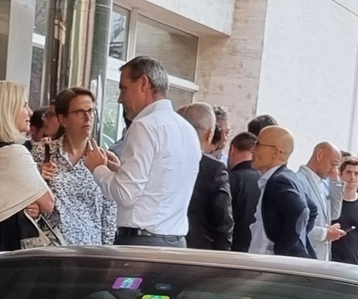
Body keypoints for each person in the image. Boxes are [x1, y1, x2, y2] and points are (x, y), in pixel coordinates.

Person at [83, 56, 198, 246]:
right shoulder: (186, 129)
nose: (120, 98)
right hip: (175, 242)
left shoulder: (144, 126)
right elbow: (158, 181)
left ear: (144, 83)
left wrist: (98, 168)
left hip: (142, 243)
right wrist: (118, 170)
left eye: (123, 88)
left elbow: (126, 194)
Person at [0, 79, 56, 255]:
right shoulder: (15, 153)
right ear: (7, 111)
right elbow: (48, 203)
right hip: (13, 245)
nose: (30, 112)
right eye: (24, 105)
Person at [38, 87, 114, 246]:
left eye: (91, 111)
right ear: (62, 119)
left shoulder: (102, 159)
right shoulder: (43, 153)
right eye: (80, 112)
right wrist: (39, 177)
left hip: (90, 253)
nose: (88, 118)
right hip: (50, 251)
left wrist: (108, 255)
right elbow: (28, 203)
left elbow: (109, 215)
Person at [253, 127, 315, 259]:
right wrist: (298, 237)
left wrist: (282, 250)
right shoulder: (289, 177)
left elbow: (301, 212)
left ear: (275, 152)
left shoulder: (278, 181)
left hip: (275, 266)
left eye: (258, 144)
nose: (253, 150)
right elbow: (312, 209)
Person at [182, 103, 232, 250]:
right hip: (201, 254)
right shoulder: (214, 169)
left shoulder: (163, 161)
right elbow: (223, 222)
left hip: (163, 245)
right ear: (210, 134)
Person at [299, 143, 342, 259]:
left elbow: (334, 214)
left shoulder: (323, 183)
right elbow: (298, 224)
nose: (334, 170)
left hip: (322, 256)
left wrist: (335, 183)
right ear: (319, 155)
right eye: (333, 164)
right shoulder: (300, 181)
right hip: (306, 255)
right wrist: (325, 233)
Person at [227, 130, 263, 252]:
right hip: (258, 252)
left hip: (232, 251)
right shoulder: (264, 180)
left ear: (232, 150)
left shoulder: (230, 180)